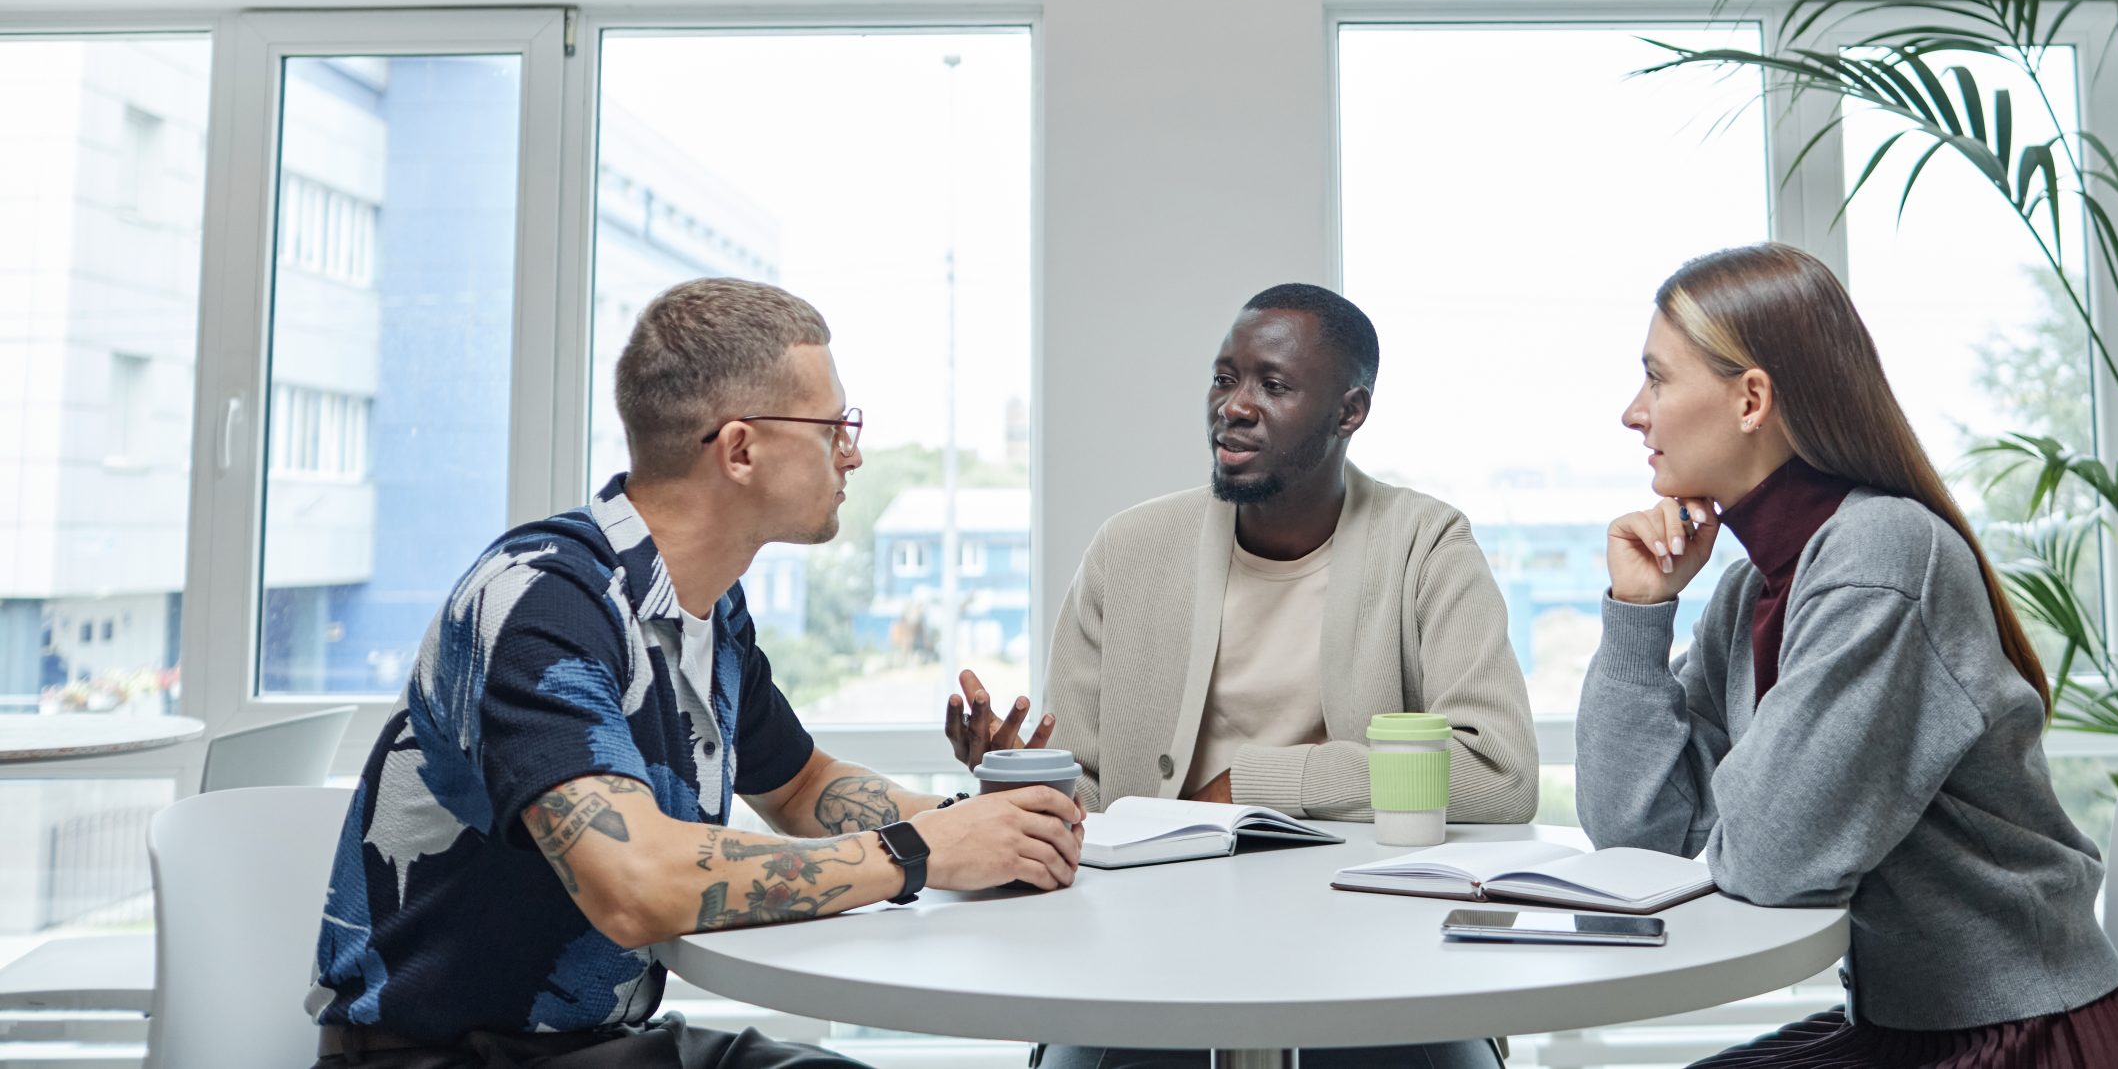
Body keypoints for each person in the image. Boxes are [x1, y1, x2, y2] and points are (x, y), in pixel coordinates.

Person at [309, 278, 1084, 1069]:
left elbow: (800, 785)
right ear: (740, 449)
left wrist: (986, 824)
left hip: (600, 1048)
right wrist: (917, 849)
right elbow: (633, 883)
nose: (852, 452)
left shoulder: (708, 609)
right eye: (834, 427)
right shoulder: (541, 601)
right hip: (439, 1057)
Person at [1575, 243, 2118, 1069]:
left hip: (2026, 1038)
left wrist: (1729, 819)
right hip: (1909, 1026)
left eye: (1656, 378)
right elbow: (1637, 836)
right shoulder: (1753, 590)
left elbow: (1773, 860)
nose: (1633, 412)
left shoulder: (1881, 553)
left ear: (1751, 399)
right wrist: (1638, 616)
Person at [947, 282, 1536, 823]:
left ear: (1349, 412)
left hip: (1350, 893)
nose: (1233, 407)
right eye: (1224, 379)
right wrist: (1021, 781)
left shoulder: (1427, 547)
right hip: (1158, 891)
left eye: (1273, 386)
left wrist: (1246, 785)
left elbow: (1499, 775)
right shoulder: (1126, 551)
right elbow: (1090, 805)